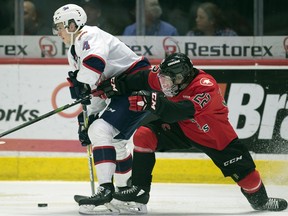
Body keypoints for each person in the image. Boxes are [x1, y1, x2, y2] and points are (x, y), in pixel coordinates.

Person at [96, 52, 287, 213]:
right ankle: (140, 189)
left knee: (250, 180)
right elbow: (142, 78)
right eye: (162, 80)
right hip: (184, 128)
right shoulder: (168, 75)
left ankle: (261, 201)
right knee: (144, 135)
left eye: (168, 81)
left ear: (182, 77)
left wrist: (153, 102)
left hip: (216, 137)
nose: (164, 86)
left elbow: (178, 111)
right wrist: (115, 84)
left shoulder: (206, 85)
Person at [52, 4, 151, 214]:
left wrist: (82, 86)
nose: (57, 32)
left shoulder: (88, 35)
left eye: (59, 26)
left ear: (72, 24)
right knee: (114, 140)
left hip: (136, 85)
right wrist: (87, 117)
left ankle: (105, 190)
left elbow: (93, 68)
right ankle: (125, 194)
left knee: (100, 131)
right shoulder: (73, 51)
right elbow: (93, 91)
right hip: (120, 91)